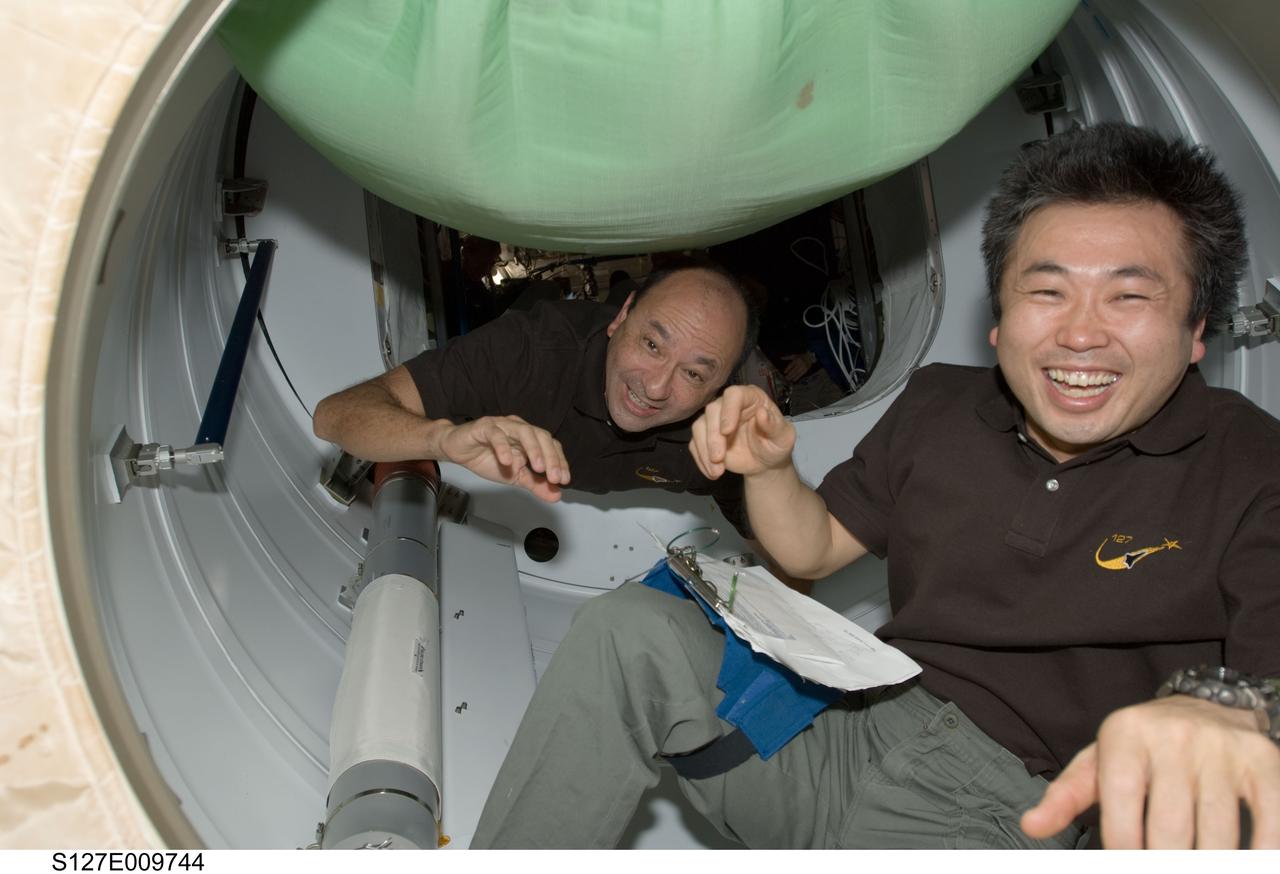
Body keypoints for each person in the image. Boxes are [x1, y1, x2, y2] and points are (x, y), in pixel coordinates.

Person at [468, 122, 1280, 849]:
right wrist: (771, 469)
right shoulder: (939, 405)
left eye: (1130, 296)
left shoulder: (1249, 465)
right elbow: (813, 545)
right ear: (1000, 318)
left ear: (1197, 329)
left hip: (1008, 817)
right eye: (1048, 290)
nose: (1079, 332)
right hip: (842, 731)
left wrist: (1223, 709)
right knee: (630, 633)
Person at [313, 263, 761, 538]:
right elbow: (334, 415)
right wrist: (443, 440)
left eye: (694, 373)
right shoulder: (528, 352)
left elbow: (767, 528)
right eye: (651, 345)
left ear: (718, 389)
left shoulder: (714, 438)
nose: (657, 387)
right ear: (620, 317)